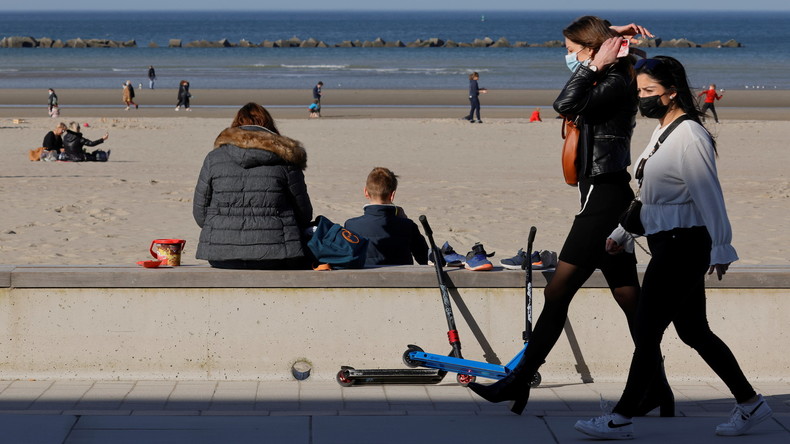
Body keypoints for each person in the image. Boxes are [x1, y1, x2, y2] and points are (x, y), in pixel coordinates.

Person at [468, 16, 672, 417]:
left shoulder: (616, 80)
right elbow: (578, 94)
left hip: (604, 198)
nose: (569, 57)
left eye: (572, 50)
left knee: (557, 291)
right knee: (629, 299)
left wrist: (593, 63)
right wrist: (608, 44)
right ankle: (658, 390)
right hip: (603, 192)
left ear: (592, 50)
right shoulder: (611, 75)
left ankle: (518, 380)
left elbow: (564, 103)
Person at [574, 56, 772, 440]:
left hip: (684, 245)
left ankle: (621, 418)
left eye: (650, 91)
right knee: (694, 331)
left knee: (647, 331)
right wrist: (623, 232)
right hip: (669, 241)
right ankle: (751, 403)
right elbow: (650, 194)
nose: (643, 98)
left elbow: (709, 195)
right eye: (639, 91)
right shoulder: (664, 130)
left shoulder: (690, 136)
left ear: (672, 92)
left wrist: (722, 246)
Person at [193, 102, 313, 270]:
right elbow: (304, 214)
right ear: (269, 126)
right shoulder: (286, 161)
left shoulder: (214, 158)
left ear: (235, 126)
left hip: (221, 255)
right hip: (277, 255)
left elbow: (200, 214)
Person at [344, 167, 429, 266]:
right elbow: (425, 259)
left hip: (363, 276)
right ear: (392, 195)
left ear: (366, 192)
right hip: (401, 276)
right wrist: (403, 221)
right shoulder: (408, 226)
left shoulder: (351, 225)